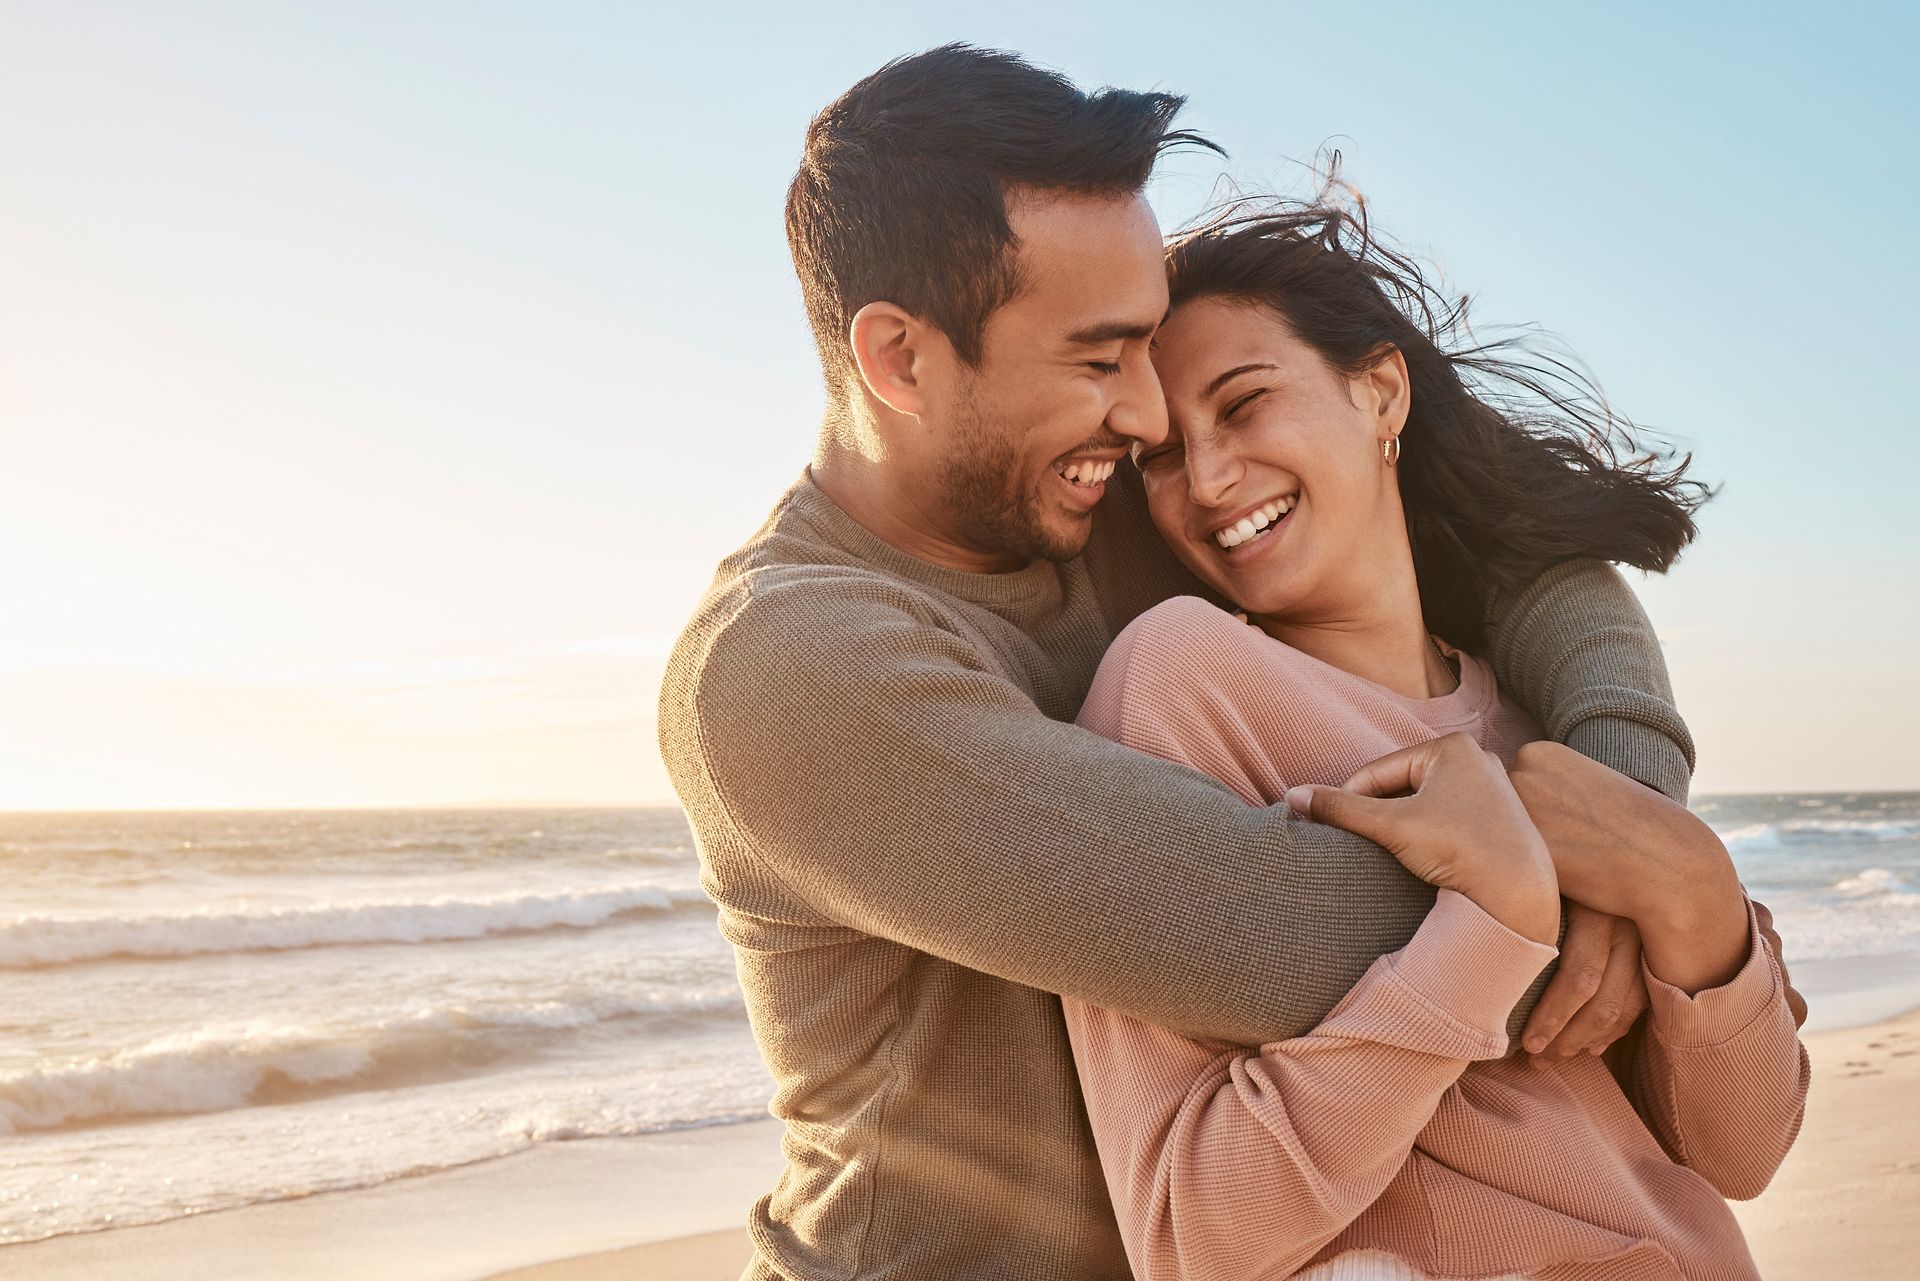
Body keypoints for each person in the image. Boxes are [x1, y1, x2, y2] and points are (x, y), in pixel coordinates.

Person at [658, 44, 1706, 1280]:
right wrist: (1614, 901)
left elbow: (1516, 558)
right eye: (1099, 360)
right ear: (901, 360)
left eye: (1148, 350)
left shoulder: (1095, 499)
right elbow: (1281, 938)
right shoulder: (789, 668)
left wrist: (1625, 802)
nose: (1155, 419)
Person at [1060, 194, 1811, 1280]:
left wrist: (1695, 892)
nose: (1209, 481)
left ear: (1380, 392)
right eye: (1164, 458)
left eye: (1245, 405)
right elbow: (1190, 1237)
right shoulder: (1182, 682)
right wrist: (1488, 924)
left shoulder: (1541, 719)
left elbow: (1744, 1151)